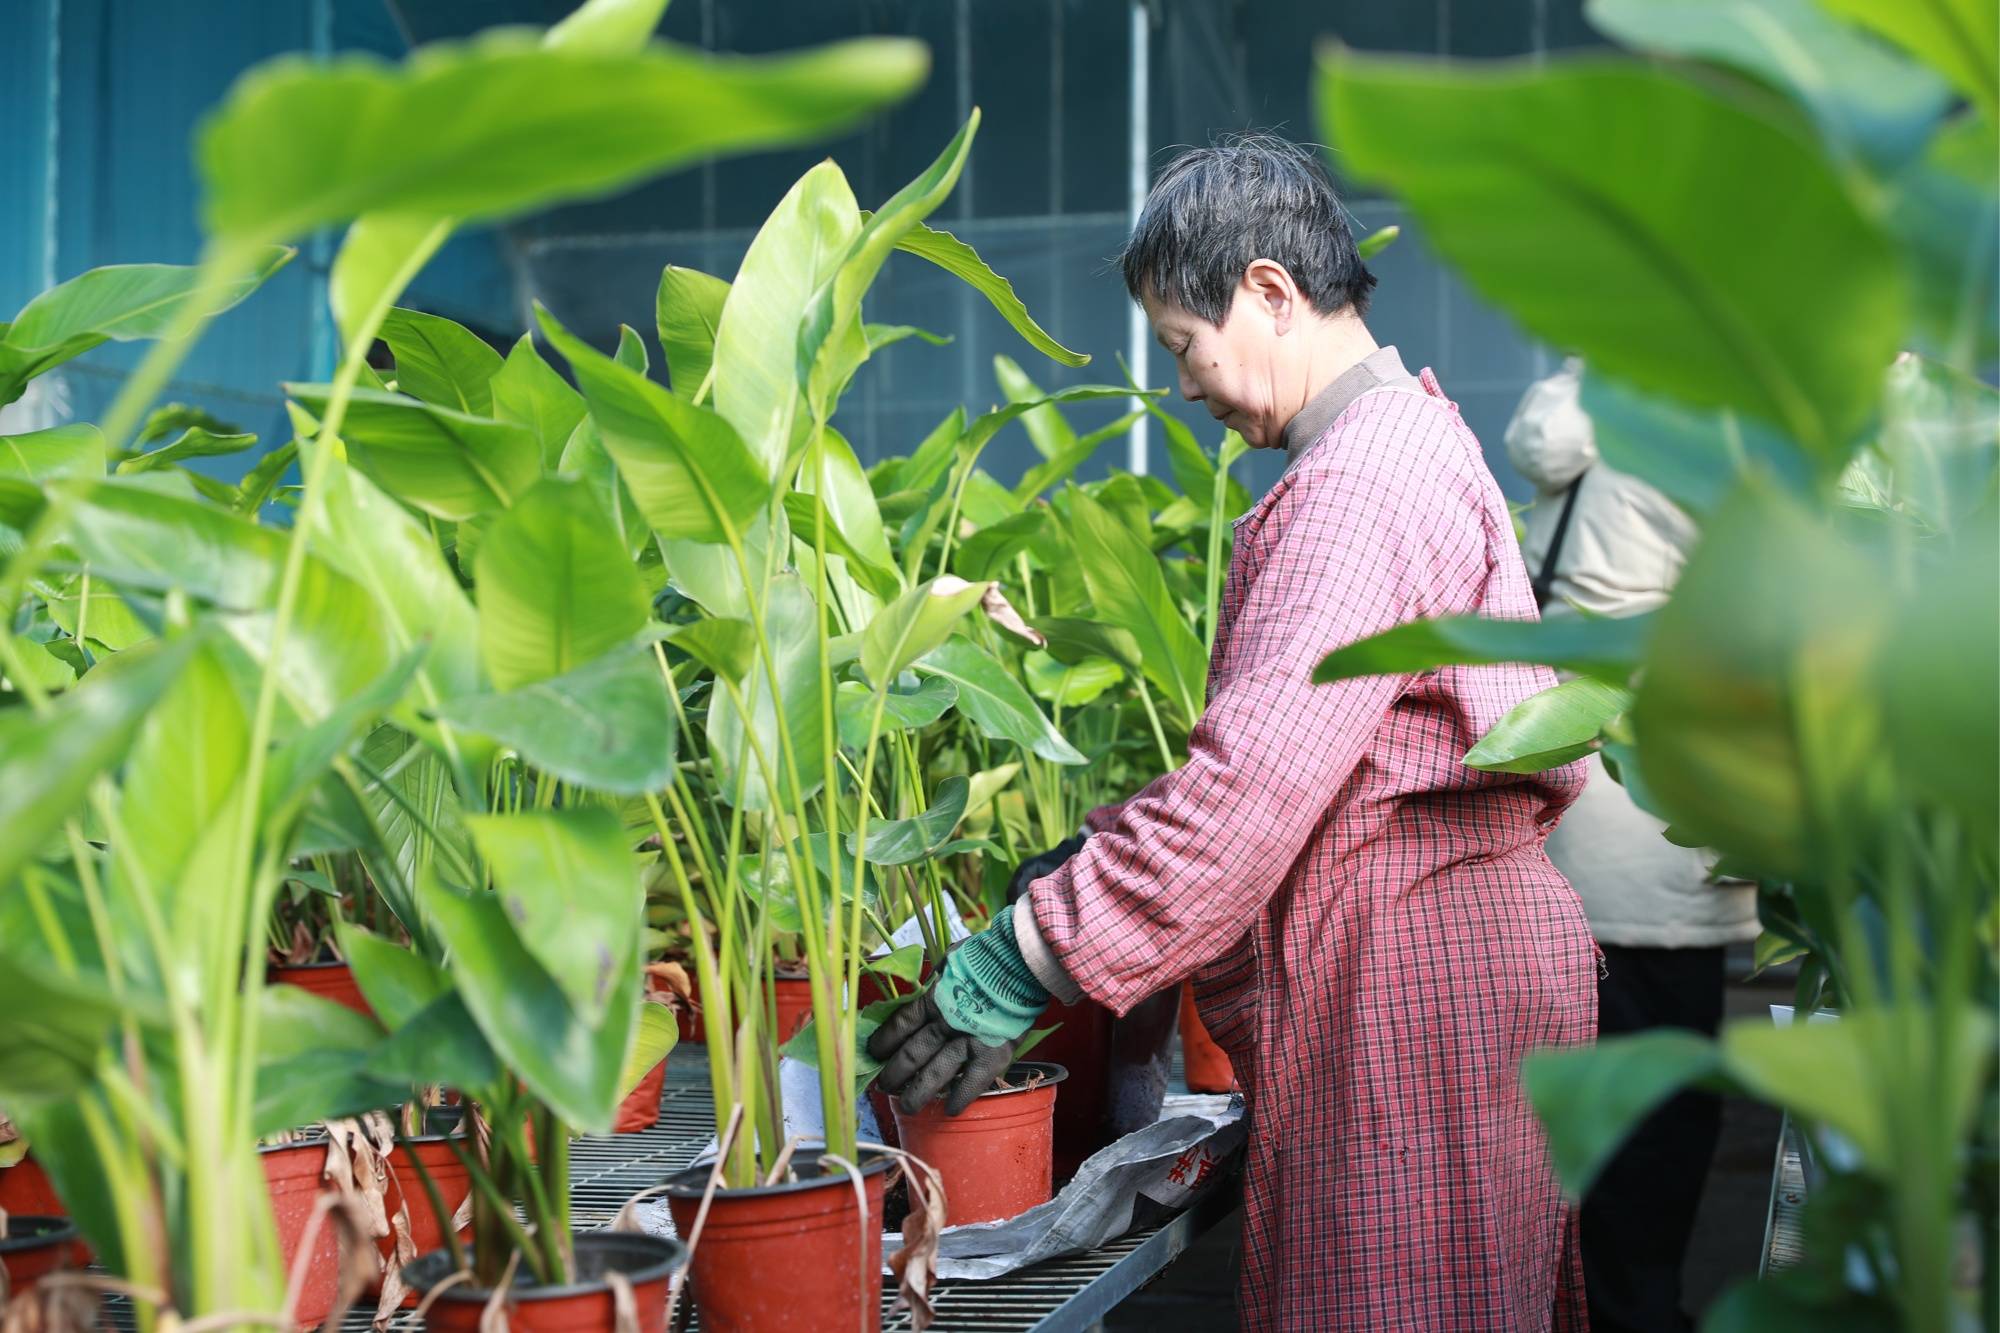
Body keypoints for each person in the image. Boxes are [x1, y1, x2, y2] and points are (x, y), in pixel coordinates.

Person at [871, 134, 1599, 1331]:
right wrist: (1099, 852)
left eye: (1181, 345)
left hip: (1408, 990)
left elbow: (1245, 797)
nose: (1184, 384)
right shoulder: (1410, 441)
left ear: (1268, 290)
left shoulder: (1359, 482)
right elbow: (1315, 756)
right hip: (1442, 968)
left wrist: (1021, 958)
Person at [1506, 359, 1760, 1333]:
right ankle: (1637, 1313)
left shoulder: (1571, 432)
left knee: (1593, 1102)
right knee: (1662, 1113)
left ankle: (1600, 1305)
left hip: (1569, 808)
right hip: (1657, 820)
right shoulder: (1684, 438)